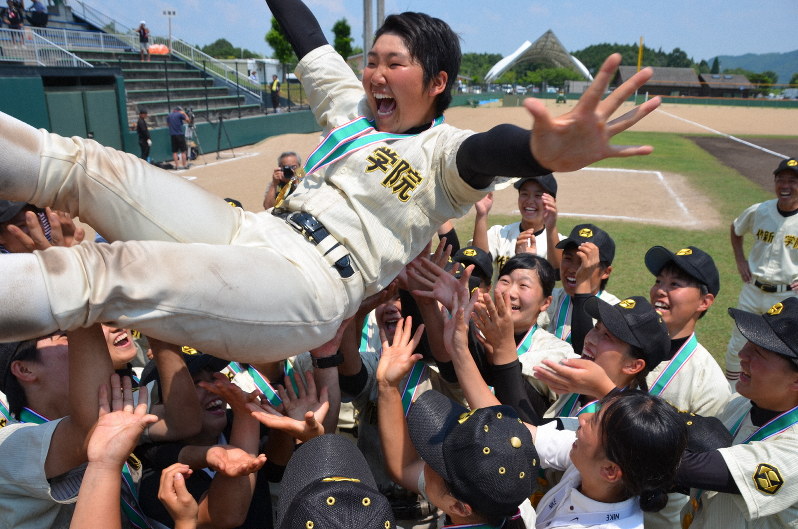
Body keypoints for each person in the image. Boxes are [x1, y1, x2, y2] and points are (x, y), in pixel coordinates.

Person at [0, 0, 662, 365]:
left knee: (113, 272)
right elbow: (305, 32)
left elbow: (492, 149)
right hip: (254, 231)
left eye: (394, 64)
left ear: (437, 83)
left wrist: (543, 148)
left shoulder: (442, 154)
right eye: (371, 61)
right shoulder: (353, 106)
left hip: (309, 283)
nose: (374, 74)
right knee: (88, 164)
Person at [440, 288, 688, 529]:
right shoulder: (595, 452)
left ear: (634, 366)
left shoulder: (620, 442)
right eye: (597, 328)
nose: (591, 338)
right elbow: (512, 431)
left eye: (608, 337)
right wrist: (459, 349)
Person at [377, 316, 537, 528]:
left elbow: (406, 468)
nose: (424, 461)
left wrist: (387, 386)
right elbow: (404, 468)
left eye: (434, 460)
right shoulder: (513, 505)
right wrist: (388, 387)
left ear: (459, 508)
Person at [677, 297, 798, 528]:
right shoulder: (741, 403)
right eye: (748, 343)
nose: (743, 354)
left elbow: (692, 468)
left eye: (759, 352)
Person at [725, 156, 798, 384]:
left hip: (787, 296)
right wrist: (740, 260)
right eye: (781, 179)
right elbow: (736, 228)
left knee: (782, 353)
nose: (785, 186)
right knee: (738, 345)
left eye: (792, 181)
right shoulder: (760, 211)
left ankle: (773, 396)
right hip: (753, 290)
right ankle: (732, 393)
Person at [539, 223, 620, 354]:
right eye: (568, 258)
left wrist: (583, 283)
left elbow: (585, 351)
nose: (573, 269)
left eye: (583, 262)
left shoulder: (614, 312)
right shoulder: (550, 298)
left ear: (606, 272)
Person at [472, 173, 562, 275]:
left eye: (538, 195)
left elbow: (557, 272)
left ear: (552, 202)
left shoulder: (558, 242)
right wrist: (482, 215)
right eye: (524, 194)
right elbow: (478, 263)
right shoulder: (500, 234)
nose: (530, 201)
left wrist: (551, 228)